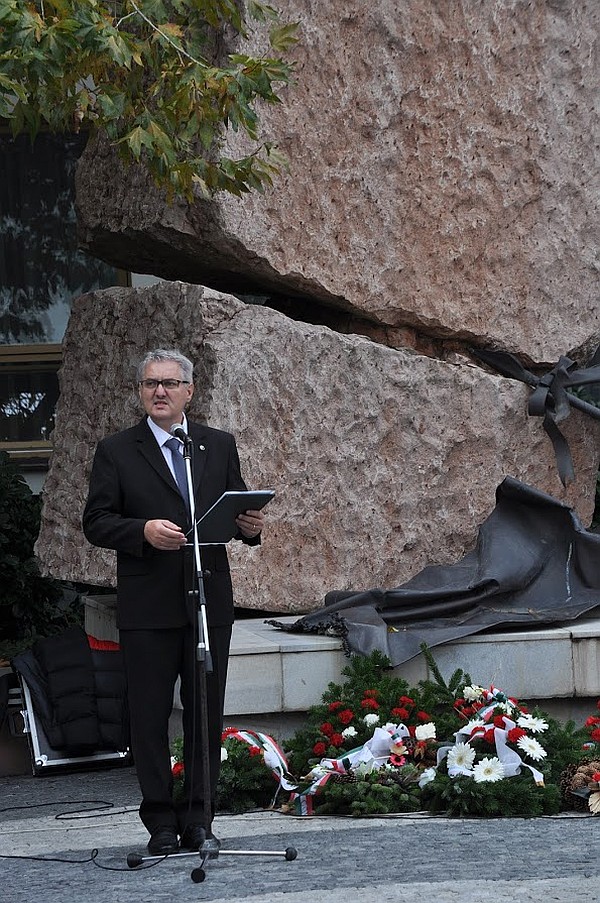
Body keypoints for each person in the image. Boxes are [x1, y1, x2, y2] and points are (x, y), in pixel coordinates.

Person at [83, 348, 265, 856]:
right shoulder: (117, 450)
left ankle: (199, 819)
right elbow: (95, 521)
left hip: (208, 600)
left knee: (205, 714)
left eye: (168, 383)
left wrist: (250, 527)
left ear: (190, 390)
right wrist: (140, 529)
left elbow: (236, 504)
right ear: (140, 392)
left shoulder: (216, 444)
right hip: (148, 603)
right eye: (149, 384)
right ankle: (160, 821)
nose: (158, 392)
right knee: (149, 715)